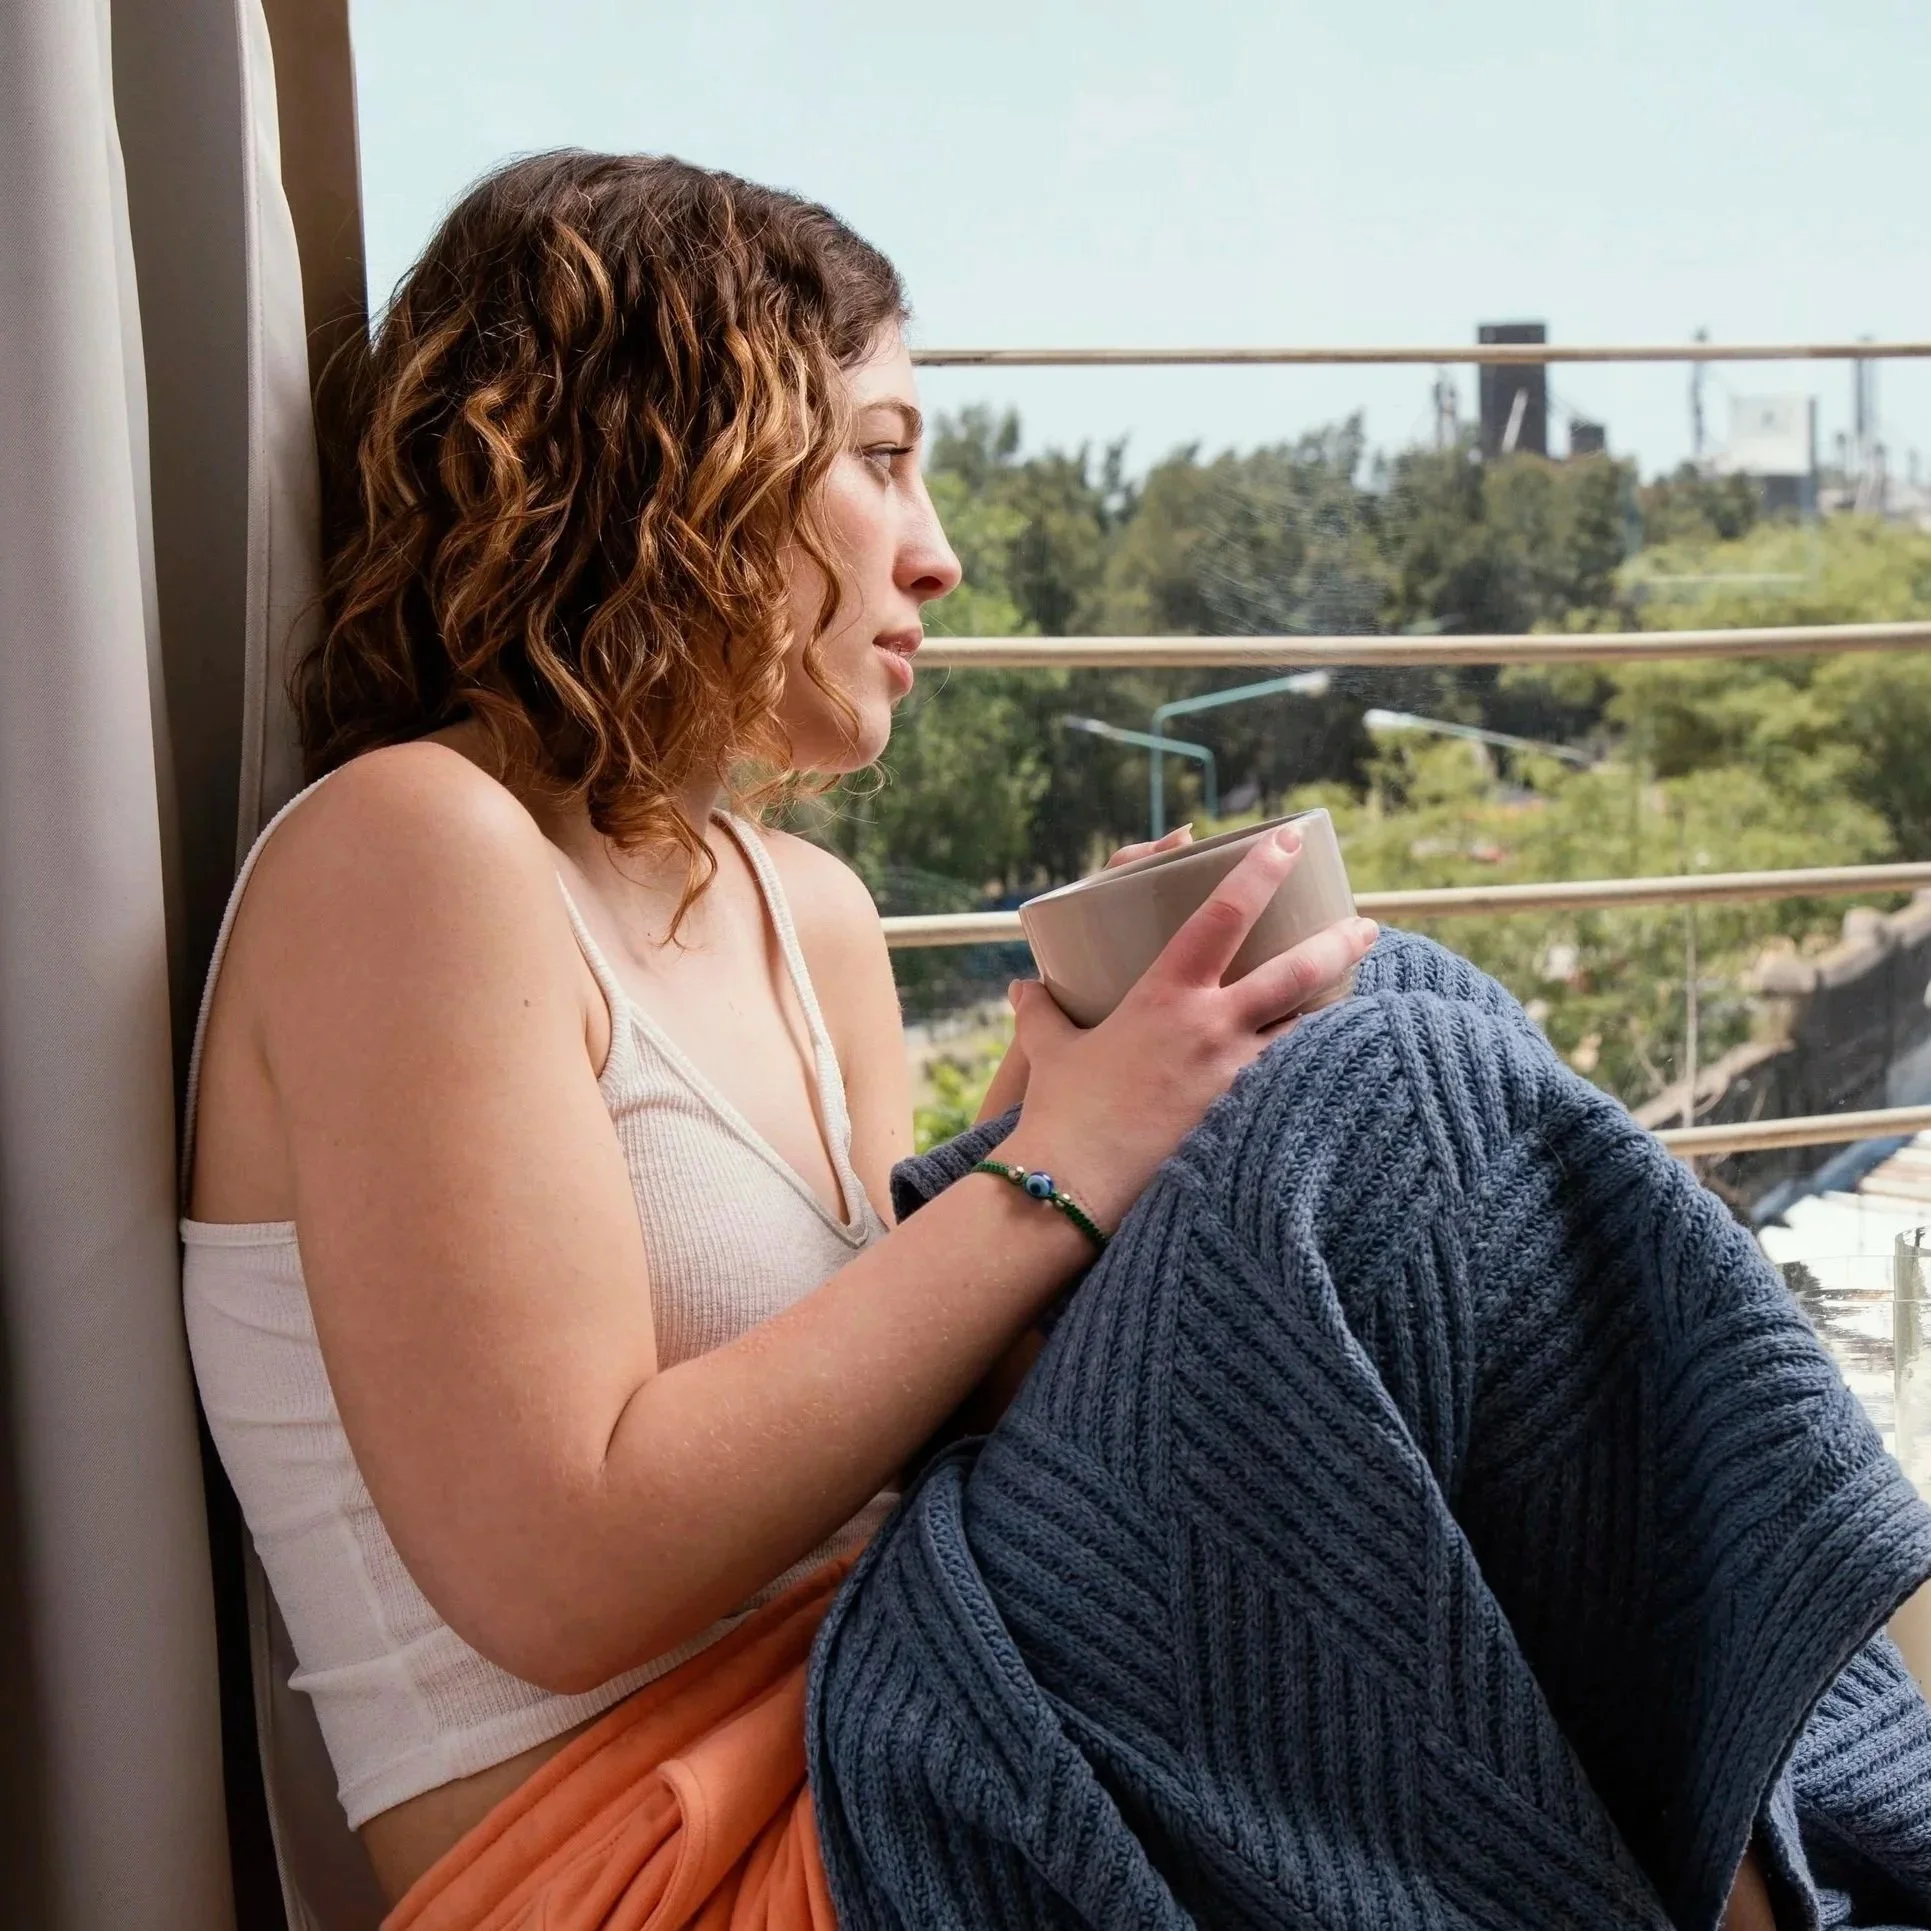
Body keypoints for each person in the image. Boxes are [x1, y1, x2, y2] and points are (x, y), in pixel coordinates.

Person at [183, 152, 1794, 1929]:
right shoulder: (406, 850)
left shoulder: (808, 915)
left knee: (1369, 1008)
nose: (935, 550)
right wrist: (1049, 1175)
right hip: (663, 1858)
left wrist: (1095, 1155)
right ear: (676, 454)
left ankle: (1750, 1861)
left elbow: (899, 1442)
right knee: (1385, 1088)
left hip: (922, 1696)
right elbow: (560, 1568)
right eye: (879, 455)